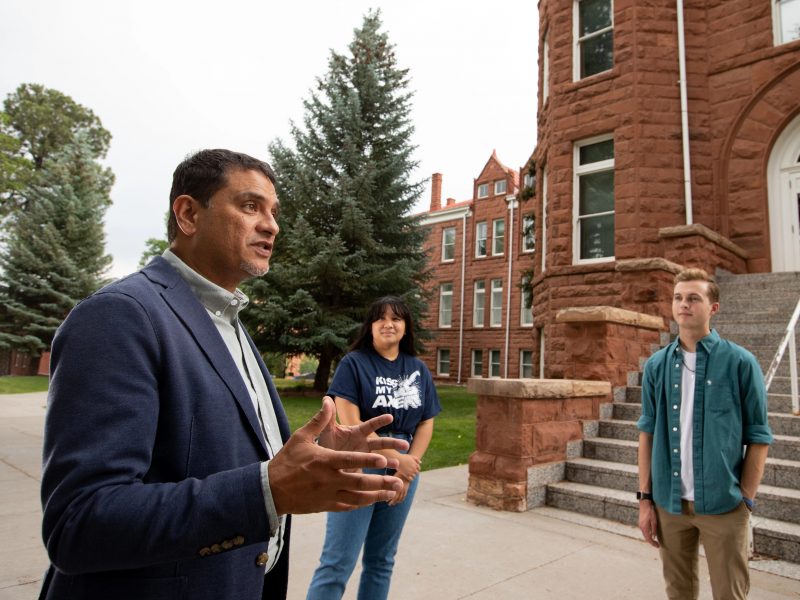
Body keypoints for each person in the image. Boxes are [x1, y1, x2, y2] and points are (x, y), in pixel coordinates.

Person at [39, 149, 410, 600]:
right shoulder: (121, 316)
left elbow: (222, 449)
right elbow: (79, 522)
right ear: (189, 214)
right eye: (250, 206)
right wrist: (266, 492)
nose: (271, 225)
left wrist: (315, 453)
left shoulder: (228, 322)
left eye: (274, 212)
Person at [636, 268, 773, 599]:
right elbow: (648, 432)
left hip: (724, 506)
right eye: (678, 297)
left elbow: (758, 436)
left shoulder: (741, 363)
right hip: (670, 505)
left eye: (694, 298)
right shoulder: (656, 365)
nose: (684, 304)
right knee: (678, 593)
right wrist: (645, 501)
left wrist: (746, 499)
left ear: (713, 307)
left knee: (730, 594)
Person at [306, 296, 441, 600]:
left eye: (396, 318)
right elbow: (351, 424)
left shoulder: (418, 369)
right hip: (358, 465)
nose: (388, 324)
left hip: (403, 472)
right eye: (380, 318)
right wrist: (398, 461)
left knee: (382, 561)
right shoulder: (354, 364)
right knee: (337, 563)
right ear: (370, 327)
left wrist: (409, 467)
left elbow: (426, 422)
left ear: (406, 327)